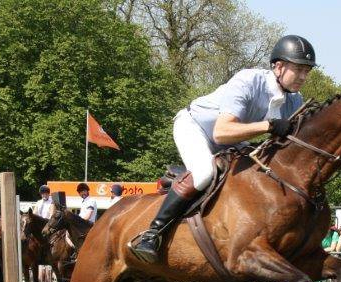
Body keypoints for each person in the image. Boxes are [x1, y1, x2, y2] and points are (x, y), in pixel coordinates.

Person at [130, 34, 316, 263]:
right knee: (204, 173)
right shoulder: (249, 80)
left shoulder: (295, 101)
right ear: (278, 66)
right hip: (196, 127)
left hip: (235, 141)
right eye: (298, 69)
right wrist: (269, 126)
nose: (303, 76)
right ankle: (152, 233)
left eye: (307, 71)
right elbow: (221, 131)